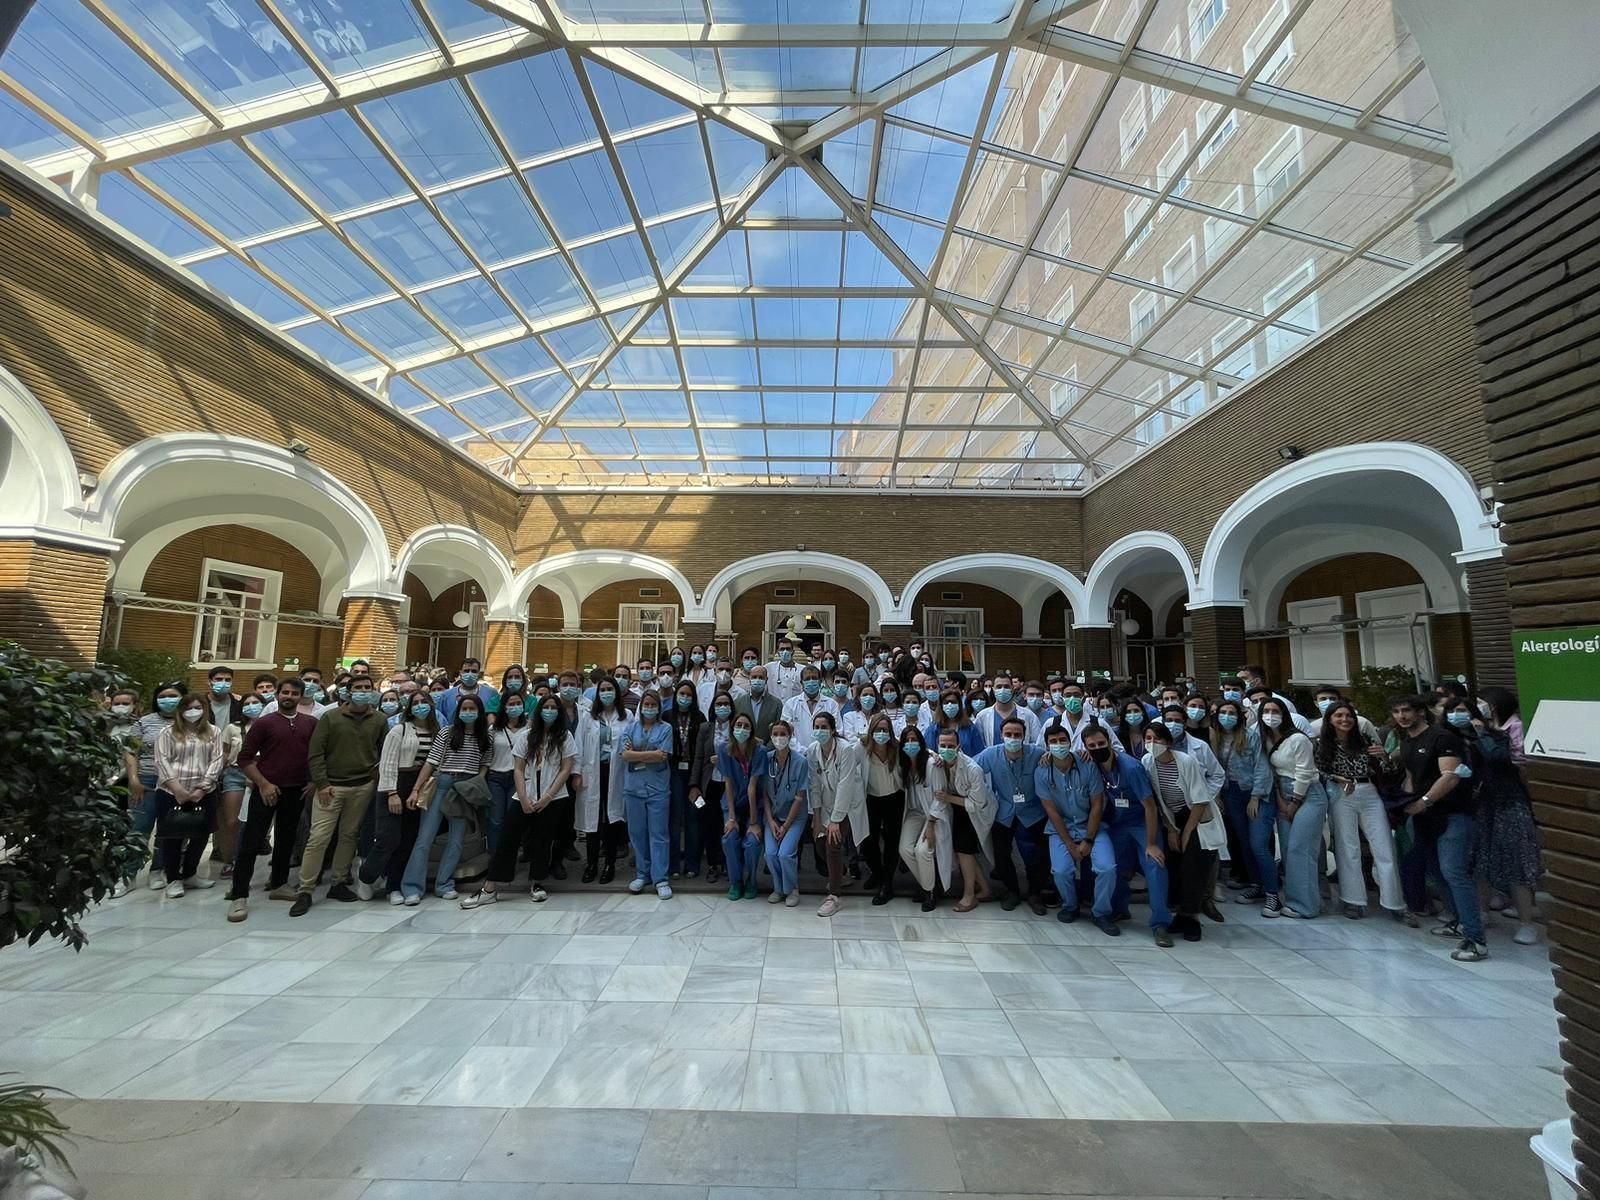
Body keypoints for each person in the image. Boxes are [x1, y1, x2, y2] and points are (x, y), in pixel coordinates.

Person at [1391, 694, 1486, 960]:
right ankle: (1458, 921)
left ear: (1421, 712)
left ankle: (1476, 939)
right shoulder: (1407, 741)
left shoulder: (1442, 737)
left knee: (1454, 872)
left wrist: (1424, 801)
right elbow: (1411, 777)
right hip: (1425, 817)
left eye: (1407, 710)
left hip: (1453, 813)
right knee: (1435, 870)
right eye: (1397, 711)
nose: (1402, 716)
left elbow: (1451, 776)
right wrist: (1402, 803)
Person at [462, 693, 577, 908]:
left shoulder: (565, 736)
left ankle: (537, 883)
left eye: (554, 707)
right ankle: (490, 887)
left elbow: (566, 768)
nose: (549, 711)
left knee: (543, 839)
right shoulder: (526, 736)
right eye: (546, 707)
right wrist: (523, 797)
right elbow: (518, 767)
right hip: (525, 793)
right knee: (508, 837)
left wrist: (548, 797)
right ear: (539, 710)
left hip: (553, 797)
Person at [290, 675, 385, 916]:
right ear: (349, 691)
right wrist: (321, 783)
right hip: (331, 787)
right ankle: (306, 889)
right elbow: (316, 753)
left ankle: (339, 882)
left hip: (362, 786)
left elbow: (383, 751)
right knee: (319, 837)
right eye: (358, 688)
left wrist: (375, 776)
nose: (363, 692)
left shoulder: (379, 719)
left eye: (367, 688)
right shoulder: (331, 718)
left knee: (349, 836)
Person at [1080, 725, 1173, 946]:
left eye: (1101, 744)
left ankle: (1160, 924)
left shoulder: (1131, 768)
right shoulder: (1094, 765)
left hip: (1142, 823)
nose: (1097, 748)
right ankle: (1120, 909)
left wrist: (1151, 843)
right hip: (1117, 823)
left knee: (1154, 865)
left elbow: (1150, 807)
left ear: (1110, 743)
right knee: (1117, 866)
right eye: (1091, 746)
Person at [397, 691, 488, 907]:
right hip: (442, 783)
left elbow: (485, 763)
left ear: (479, 712)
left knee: (456, 840)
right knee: (424, 837)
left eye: (472, 709)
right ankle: (412, 887)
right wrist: (416, 790)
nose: (468, 713)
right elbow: (431, 762)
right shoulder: (447, 733)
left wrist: (476, 785)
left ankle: (444, 884)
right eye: (464, 709)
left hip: (464, 789)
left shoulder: (486, 737)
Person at [1317, 700, 1405, 921]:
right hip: (1341, 794)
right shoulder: (1322, 744)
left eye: (1348, 716)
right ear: (1330, 719)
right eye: (1339, 716)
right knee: (1348, 847)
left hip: (1369, 791)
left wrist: (1384, 757)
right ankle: (1353, 900)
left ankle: (1394, 901)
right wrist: (1336, 778)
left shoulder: (1365, 740)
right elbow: (1318, 772)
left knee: (1384, 846)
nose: (1344, 720)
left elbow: (1387, 770)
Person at [1140, 722, 1226, 942]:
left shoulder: (1186, 761)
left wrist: (1187, 832)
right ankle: (1180, 914)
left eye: (1157, 739)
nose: (1152, 743)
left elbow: (1199, 799)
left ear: (1168, 742)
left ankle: (1193, 918)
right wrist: (1171, 829)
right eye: (1148, 738)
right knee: (1175, 865)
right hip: (1173, 819)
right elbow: (1159, 802)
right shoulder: (1147, 762)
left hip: (1197, 817)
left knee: (1193, 866)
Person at [1472, 687, 1541, 944]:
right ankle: (1481, 910)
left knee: (1517, 859)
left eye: (1482, 703)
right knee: (1481, 858)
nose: (1478, 707)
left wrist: (1483, 734)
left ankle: (1526, 921)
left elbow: (1506, 760)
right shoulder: (1480, 730)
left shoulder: (1512, 729)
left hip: (1510, 801)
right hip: (1484, 802)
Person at [364, 690, 434, 905]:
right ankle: (366, 875)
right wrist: (391, 793)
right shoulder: (399, 730)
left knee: (407, 840)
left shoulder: (436, 732)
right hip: (395, 784)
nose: (420, 706)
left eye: (424, 702)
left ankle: (393, 885)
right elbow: (387, 763)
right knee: (388, 838)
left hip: (418, 786)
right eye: (416, 703)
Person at [1258, 696, 1325, 920]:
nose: (1270, 715)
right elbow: (1274, 772)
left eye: (1275, 711)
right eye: (1266, 711)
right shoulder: (1266, 738)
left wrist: (1295, 802)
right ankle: (1294, 899)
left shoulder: (1298, 739)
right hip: (1283, 794)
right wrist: (1281, 800)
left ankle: (1306, 905)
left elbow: (1305, 772)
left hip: (1307, 794)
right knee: (1287, 849)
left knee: (1301, 849)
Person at [152, 692, 223, 899]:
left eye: (198, 708)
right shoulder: (168, 732)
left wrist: (203, 787)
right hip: (171, 791)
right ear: (181, 711)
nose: (193, 712)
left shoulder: (214, 732)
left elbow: (217, 760)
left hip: (204, 791)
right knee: (173, 837)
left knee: (201, 834)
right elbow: (161, 760)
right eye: (189, 708)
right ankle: (173, 878)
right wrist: (177, 789)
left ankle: (190, 873)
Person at [975, 717, 1049, 915]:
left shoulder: (1037, 753)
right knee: (1001, 853)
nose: (1013, 738)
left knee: (1039, 855)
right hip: (1004, 811)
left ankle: (1034, 893)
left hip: (1033, 811)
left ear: (1024, 736)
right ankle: (1012, 891)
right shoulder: (991, 754)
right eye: (1008, 735)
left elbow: (1056, 765)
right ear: (1001, 735)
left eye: (1017, 735)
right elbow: (971, 769)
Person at [1035, 721, 1104, 927]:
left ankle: (1101, 912)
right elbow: (1052, 812)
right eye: (1053, 742)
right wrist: (1069, 845)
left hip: (1092, 827)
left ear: (1070, 742)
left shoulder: (1088, 765)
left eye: (1062, 740)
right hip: (1061, 829)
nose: (1058, 745)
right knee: (1062, 871)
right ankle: (1070, 906)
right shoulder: (1042, 771)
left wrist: (1089, 840)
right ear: (1047, 747)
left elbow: (1097, 804)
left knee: (1107, 868)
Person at [1212, 698, 1275, 905]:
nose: (1227, 717)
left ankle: (1272, 892)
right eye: (1223, 713)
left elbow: (1261, 766)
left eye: (1231, 713)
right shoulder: (1216, 739)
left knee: (1259, 844)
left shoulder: (1250, 737)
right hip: (1231, 794)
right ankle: (1256, 884)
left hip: (1253, 794)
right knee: (1244, 842)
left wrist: (1256, 797)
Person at [927, 727, 995, 913]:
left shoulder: (973, 769)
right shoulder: (937, 761)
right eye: (942, 746)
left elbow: (978, 804)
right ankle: (986, 889)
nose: (946, 749)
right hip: (956, 807)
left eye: (950, 745)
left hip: (975, 810)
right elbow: (923, 748)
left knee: (964, 850)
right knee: (963, 852)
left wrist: (947, 798)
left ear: (958, 746)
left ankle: (969, 895)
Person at [127, 682, 184, 890]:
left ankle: (157, 870)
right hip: (147, 780)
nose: (167, 700)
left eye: (173, 696)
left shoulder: (189, 723)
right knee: (138, 828)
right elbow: (131, 751)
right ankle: (128, 875)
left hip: (176, 783)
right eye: (163, 696)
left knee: (167, 830)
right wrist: (134, 779)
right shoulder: (144, 722)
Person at [809, 711, 866, 917]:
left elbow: (845, 785)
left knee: (833, 843)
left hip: (848, 804)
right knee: (819, 843)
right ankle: (841, 874)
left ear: (833, 730)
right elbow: (814, 786)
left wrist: (835, 820)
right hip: (825, 805)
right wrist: (816, 819)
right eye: (817, 727)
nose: (820, 731)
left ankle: (834, 896)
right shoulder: (812, 750)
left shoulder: (845, 750)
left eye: (824, 727)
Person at [622, 689, 674, 898]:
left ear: (659, 708)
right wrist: (649, 754)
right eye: (646, 705)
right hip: (633, 788)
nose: (649, 708)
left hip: (658, 788)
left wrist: (638, 755)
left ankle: (661, 878)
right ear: (640, 707)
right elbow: (625, 755)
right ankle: (643, 875)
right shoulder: (630, 728)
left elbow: (662, 756)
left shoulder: (666, 728)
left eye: (653, 705)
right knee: (637, 833)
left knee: (658, 834)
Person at [580, 677, 629, 884]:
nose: (606, 693)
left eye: (610, 689)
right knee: (592, 820)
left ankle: (609, 863)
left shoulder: (627, 716)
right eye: (603, 689)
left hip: (616, 773)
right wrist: (577, 774)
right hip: (592, 773)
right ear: (597, 693)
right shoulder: (588, 717)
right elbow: (579, 746)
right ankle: (591, 864)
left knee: (612, 818)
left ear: (617, 692)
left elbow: (631, 745)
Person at [213, 691, 262, 882]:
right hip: (235, 774)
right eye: (247, 703)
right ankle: (229, 861)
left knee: (253, 823)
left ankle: (246, 860)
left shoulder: (270, 725)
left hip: (262, 775)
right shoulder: (232, 728)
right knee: (232, 822)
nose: (251, 706)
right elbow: (223, 754)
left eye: (256, 702)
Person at [690, 689, 737, 885]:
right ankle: (712, 864)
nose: (723, 707)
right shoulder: (705, 728)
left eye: (726, 704)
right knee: (709, 825)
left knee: (728, 824)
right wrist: (694, 784)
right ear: (713, 708)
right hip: (709, 784)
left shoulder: (738, 727)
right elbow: (698, 758)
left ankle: (728, 862)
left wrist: (727, 758)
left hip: (730, 785)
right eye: (719, 704)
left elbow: (745, 756)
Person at [760, 719, 810, 906]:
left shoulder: (801, 762)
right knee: (770, 855)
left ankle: (792, 888)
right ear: (771, 736)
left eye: (783, 734)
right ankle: (778, 888)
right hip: (772, 816)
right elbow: (764, 794)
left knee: (785, 854)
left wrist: (786, 826)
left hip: (794, 818)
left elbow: (799, 798)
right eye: (775, 734)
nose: (779, 738)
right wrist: (771, 821)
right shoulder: (766, 759)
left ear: (790, 736)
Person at [718, 712, 767, 900]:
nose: (742, 729)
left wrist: (754, 823)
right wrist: (731, 818)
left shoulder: (760, 751)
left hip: (754, 804)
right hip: (732, 803)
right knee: (729, 839)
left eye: (747, 726)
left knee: (753, 842)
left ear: (752, 730)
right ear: (732, 728)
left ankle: (752, 880)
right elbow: (728, 783)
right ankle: (735, 882)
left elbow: (752, 788)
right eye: (739, 725)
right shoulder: (724, 750)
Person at [897, 726, 945, 912]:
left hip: (934, 814)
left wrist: (931, 824)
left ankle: (929, 892)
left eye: (914, 740)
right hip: (914, 812)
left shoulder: (933, 764)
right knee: (905, 849)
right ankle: (930, 884)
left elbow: (940, 798)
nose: (910, 744)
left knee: (922, 850)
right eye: (906, 741)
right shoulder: (903, 763)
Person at [858, 712, 905, 905]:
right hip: (871, 799)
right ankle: (877, 872)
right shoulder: (861, 748)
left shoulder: (897, 747)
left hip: (895, 799)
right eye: (877, 730)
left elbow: (923, 752)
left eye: (885, 730)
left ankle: (888, 883)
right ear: (871, 731)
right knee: (868, 841)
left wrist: (935, 757)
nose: (881, 733)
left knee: (892, 842)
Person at [484, 683, 530, 856]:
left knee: (513, 820)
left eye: (518, 703)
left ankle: (509, 856)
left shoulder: (529, 729)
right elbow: (487, 755)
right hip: (496, 778)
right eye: (511, 704)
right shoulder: (494, 729)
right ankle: (495, 856)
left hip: (518, 779)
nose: (515, 707)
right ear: (504, 707)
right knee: (496, 820)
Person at [668, 680, 706, 878]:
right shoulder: (667, 716)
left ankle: (692, 863)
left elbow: (702, 752)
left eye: (688, 695)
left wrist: (696, 782)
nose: (685, 698)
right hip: (673, 772)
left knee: (694, 816)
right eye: (681, 694)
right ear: (676, 696)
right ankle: (673, 864)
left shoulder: (700, 718)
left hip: (694, 773)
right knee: (674, 819)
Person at [781, 666, 840, 753]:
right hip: (798, 755)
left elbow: (837, 730)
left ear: (820, 681)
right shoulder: (790, 704)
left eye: (814, 678)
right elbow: (785, 732)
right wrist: (803, 751)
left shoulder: (832, 704)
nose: (811, 681)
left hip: (826, 754)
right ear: (801, 682)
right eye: (807, 679)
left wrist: (821, 751)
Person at [976, 675, 1041, 746]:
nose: (1002, 690)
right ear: (993, 689)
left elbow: (1037, 744)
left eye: (1006, 686)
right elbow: (979, 745)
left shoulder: (1029, 715)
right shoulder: (982, 716)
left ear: (1012, 689)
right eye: (999, 687)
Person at [435, 657, 499, 727]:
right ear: (460, 673)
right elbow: (439, 720)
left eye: (474, 671)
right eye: (466, 671)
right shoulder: (446, 695)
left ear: (479, 674)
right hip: (453, 736)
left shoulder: (491, 693)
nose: (470, 674)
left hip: (483, 736)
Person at [733, 666, 784, 745]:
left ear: (766, 680)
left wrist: (766, 750)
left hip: (767, 752)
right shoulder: (738, 702)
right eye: (754, 677)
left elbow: (778, 732)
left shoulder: (776, 704)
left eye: (761, 677)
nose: (757, 680)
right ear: (749, 679)